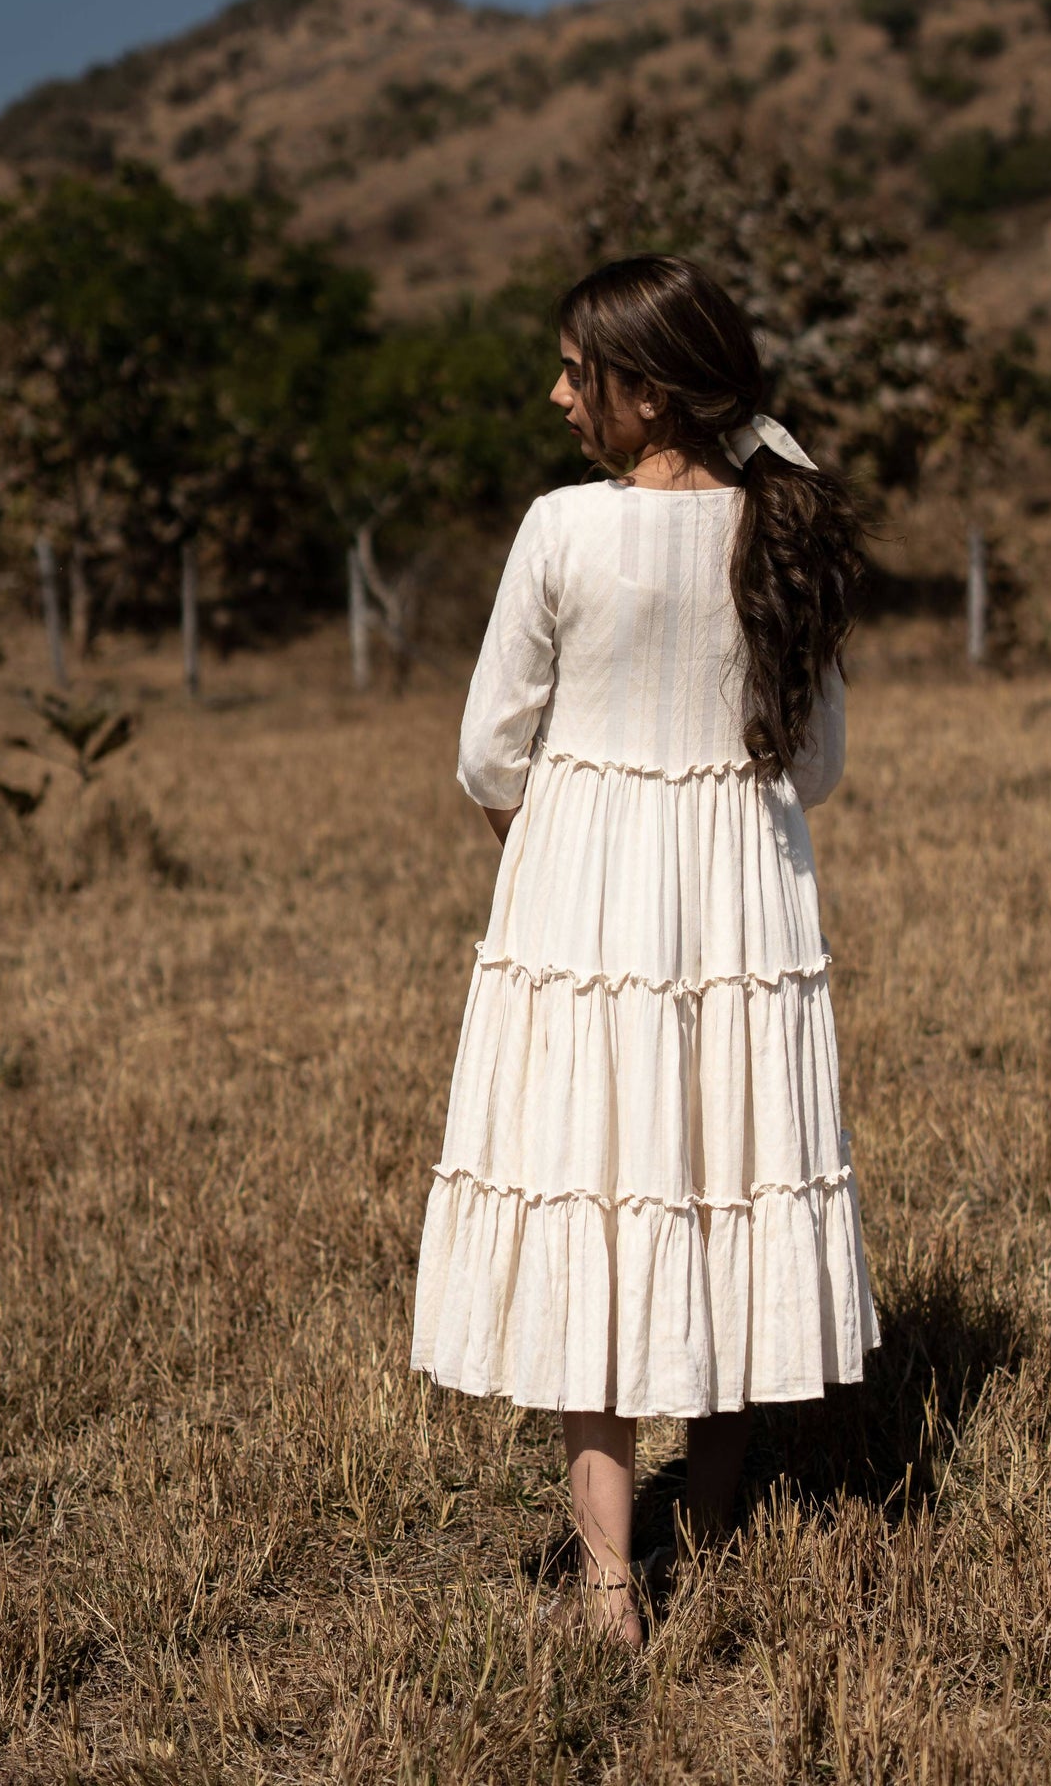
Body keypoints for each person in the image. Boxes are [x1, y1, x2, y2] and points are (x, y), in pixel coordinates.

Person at [410, 254, 879, 1646]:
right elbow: (823, 762)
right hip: (740, 888)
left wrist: (558, 838)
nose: (557, 396)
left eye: (576, 371)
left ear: (649, 389)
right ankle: (718, 1518)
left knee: (592, 1187)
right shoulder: (782, 531)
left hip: (582, 889)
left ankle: (611, 1578)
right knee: (724, 1165)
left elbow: (487, 749)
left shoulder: (561, 532)